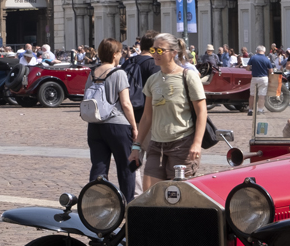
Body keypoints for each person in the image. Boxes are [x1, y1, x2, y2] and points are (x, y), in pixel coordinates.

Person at [128, 32, 208, 189]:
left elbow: (202, 112)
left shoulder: (188, 76)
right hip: (156, 144)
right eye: (153, 50)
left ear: (173, 53)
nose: (155, 54)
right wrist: (136, 146)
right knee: (150, 194)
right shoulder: (152, 80)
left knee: (178, 196)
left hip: (182, 144)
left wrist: (197, 143)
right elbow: (146, 117)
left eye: (159, 50)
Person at [85, 38, 139, 202]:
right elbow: (126, 103)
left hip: (95, 125)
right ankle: (127, 205)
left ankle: (95, 204)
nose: (121, 55)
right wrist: (134, 126)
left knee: (99, 167)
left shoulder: (92, 73)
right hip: (117, 125)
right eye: (120, 52)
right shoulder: (119, 73)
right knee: (126, 167)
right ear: (115, 54)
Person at [247, 44, 272, 116]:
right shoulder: (267, 59)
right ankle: (260, 110)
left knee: (252, 95)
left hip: (254, 77)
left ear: (257, 51)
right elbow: (271, 70)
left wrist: (253, 69)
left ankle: (250, 110)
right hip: (263, 78)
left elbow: (247, 68)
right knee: (262, 95)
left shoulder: (253, 58)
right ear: (264, 51)